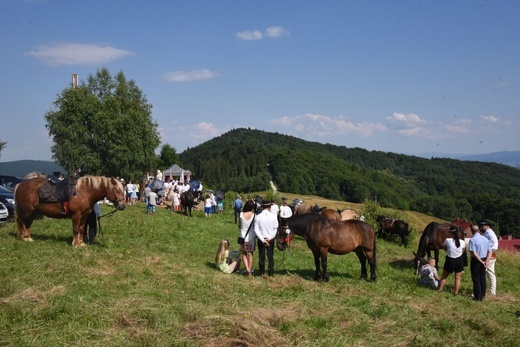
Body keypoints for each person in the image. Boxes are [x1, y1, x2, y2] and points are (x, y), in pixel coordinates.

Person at [438, 226, 466, 295]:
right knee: (457, 278)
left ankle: (440, 289)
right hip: (459, 260)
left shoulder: (447, 240)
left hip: (450, 259)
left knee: (444, 275)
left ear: (451, 233)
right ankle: (455, 292)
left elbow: (444, 248)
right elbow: (463, 251)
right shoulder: (462, 242)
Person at [254, 199, 279, 277]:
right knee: (270, 256)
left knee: (261, 255)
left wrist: (262, 239)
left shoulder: (258, 217)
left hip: (261, 238)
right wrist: (270, 237)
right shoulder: (273, 217)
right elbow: (275, 228)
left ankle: (261, 273)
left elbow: (256, 229)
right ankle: (270, 273)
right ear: (269, 207)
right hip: (270, 238)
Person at [469, 224, 492, 301]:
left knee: (476, 279)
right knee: (482, 278)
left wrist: (481, 262)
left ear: (472, 231)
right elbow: (490, 252)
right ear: (478, 230)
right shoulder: (485, 239)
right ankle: (482, 295)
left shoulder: (472, 240)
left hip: (476, 260)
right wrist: (486, 262)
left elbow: (474, 253)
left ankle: (477, 297)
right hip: (485, 258)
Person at [479, 221, 498, 295]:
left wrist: (485, 246)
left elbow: (492, 241)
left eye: (482, 226)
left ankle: (481, 291)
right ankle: (492, 291)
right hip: (492, 254)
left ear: (487, 226)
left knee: (482, 272)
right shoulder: (489, 232)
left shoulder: (489, 232)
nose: (481, 228)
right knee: (491, 273)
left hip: (489, 254)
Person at [239, 200, 257, 277]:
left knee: (243, 253)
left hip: (242, 236)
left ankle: (247, 268)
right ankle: (249, 270)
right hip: (251, 236)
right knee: (250, 253)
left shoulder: (241, 214)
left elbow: (239, 226)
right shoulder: (254, 215)